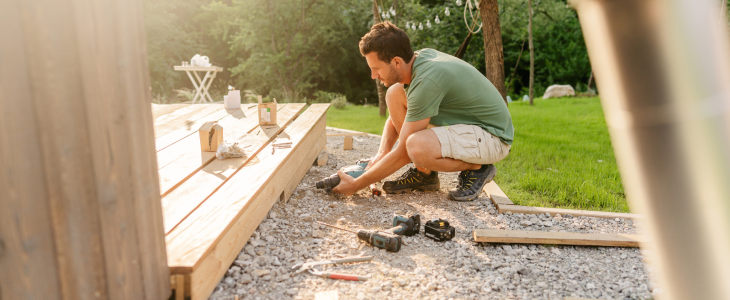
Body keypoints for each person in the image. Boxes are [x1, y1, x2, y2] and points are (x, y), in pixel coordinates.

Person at [332, 21, 514, 201]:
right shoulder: (417, 62)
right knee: (394, 93)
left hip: (493, 137)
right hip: (474, 130)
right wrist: (383, 152)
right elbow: (404, 114)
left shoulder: (426, 81)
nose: (373, 76)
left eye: (376, 68)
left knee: (416, 147)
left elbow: (404, 153)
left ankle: (479, 167)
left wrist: (356, 184)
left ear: (396, 62)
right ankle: (425, 175)